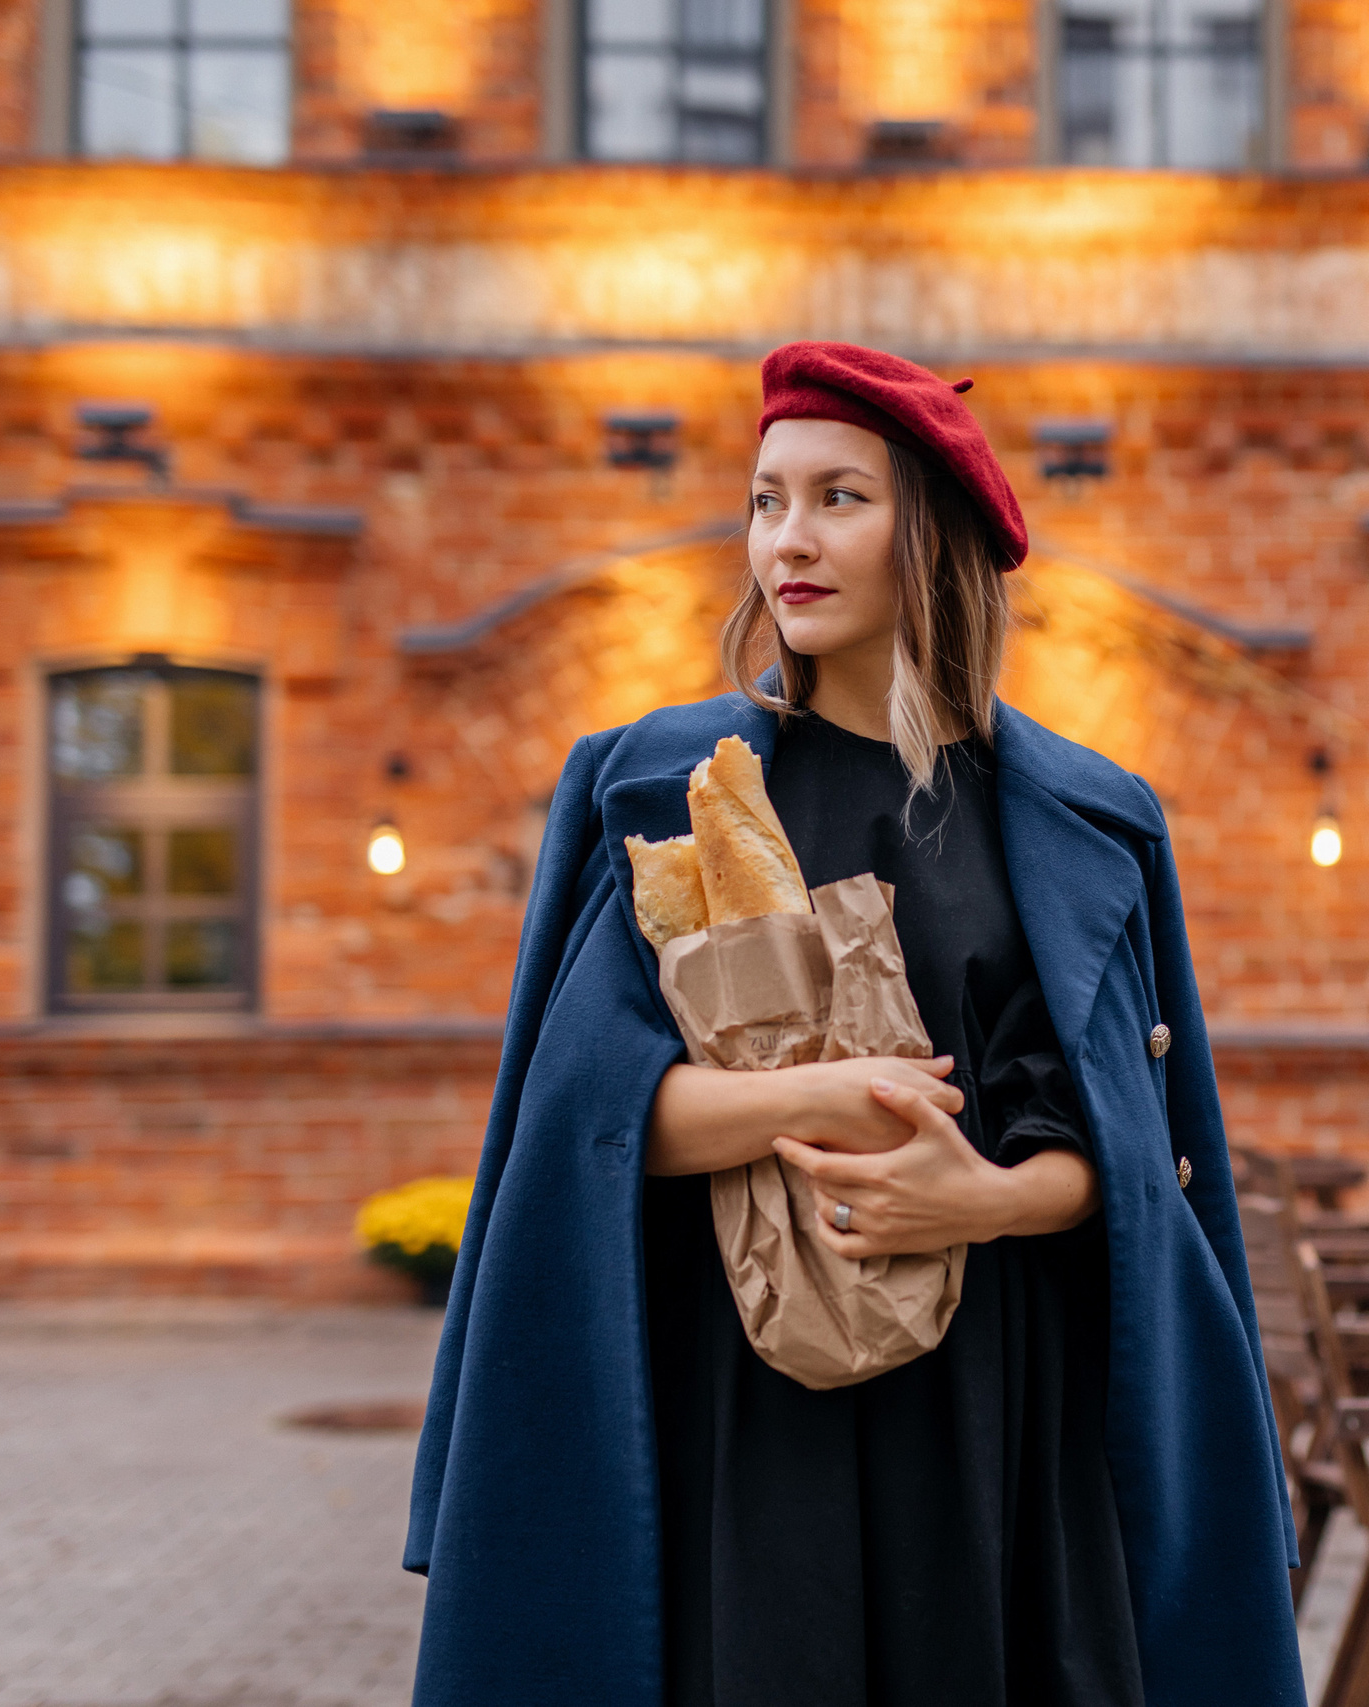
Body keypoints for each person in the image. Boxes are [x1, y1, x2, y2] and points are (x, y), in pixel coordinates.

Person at [404, 341, 1303, 1707]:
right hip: (746, 1414)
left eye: (838, 498)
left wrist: (981, 1201)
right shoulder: (669, 792)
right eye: (767, 501)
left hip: (1000, 1417)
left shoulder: (1076, 819)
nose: (789, 541)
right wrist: (816, 1103)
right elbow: (588, 1125)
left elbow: (1119, 1159)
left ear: (927, 533)